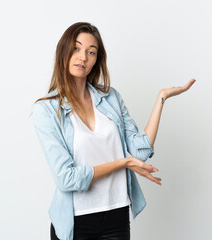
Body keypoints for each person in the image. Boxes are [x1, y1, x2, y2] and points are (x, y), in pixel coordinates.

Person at [31, 22, 196, 240]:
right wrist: (122, 163)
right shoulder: (47, 110)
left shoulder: (111, 98)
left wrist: (161, 98)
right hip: (75, 222)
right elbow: (67, 178)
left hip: (116, 216)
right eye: (76, 48)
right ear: (64, 51)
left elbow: (139, 153)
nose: (83, 57)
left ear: (96, 61)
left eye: (91, 52)